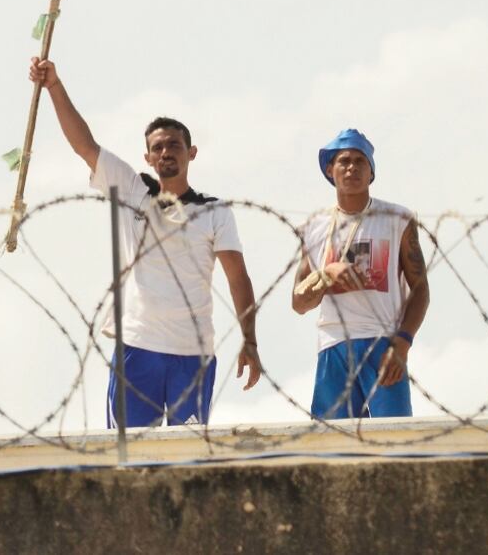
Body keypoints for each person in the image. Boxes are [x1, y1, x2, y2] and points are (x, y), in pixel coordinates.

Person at [29, 57, 261, 427]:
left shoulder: (214, 211)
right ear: (148, 157)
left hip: (193, 350)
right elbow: (84, 145)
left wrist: (250, 341)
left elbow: (238, 277)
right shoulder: (132, 190)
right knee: (129, 454)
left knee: (187, 458)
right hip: (138, 346)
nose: (166, 152)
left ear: (191, 152)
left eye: (174, 145)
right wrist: (54, 86)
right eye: (158, 148)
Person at [292, 129, 429, 419]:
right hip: (334, 344)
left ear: (371, 173)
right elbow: (299, 303)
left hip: (382, 341)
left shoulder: (397, 219)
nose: (351, 167)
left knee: (393, 439)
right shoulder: (314, 227)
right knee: (334, 444)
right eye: (343, 161)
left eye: (359, 161)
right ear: (330, 170)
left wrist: (402, 343)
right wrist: (326, 274)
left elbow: (420, 289)